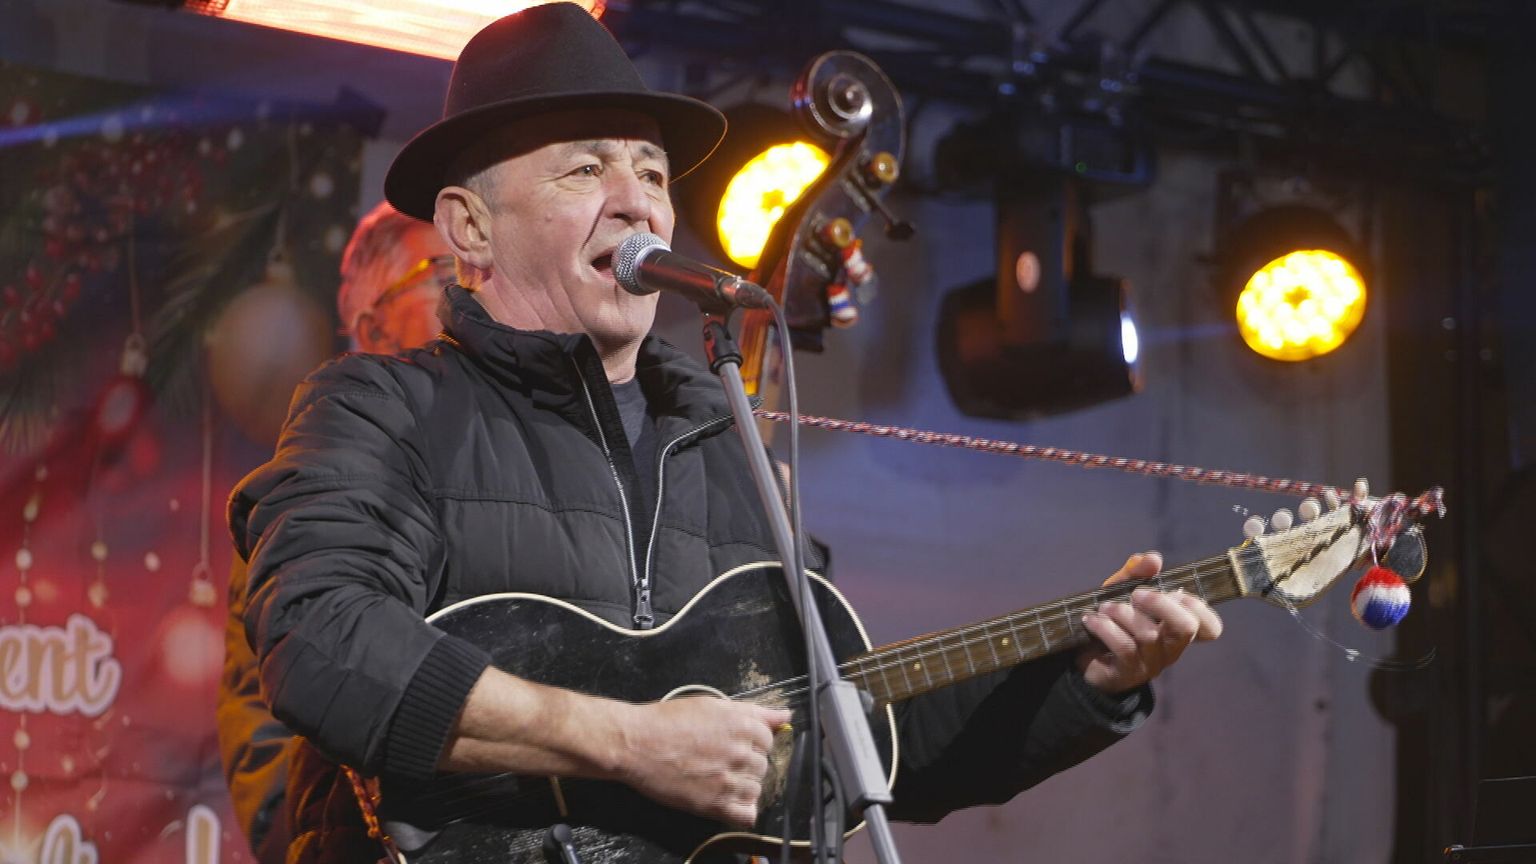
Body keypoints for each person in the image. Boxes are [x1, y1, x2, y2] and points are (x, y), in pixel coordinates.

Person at [225, 5, 1223, 862]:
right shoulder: (377, 410)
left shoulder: (729, 446)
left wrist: (1087, 681)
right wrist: (631, 744)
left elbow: (848, 749)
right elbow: (326, 644)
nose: (636, 199)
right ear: (470, 228)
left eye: (653, 173)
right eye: (585, 169)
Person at [216, 201, 454, 862]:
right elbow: (258, 726)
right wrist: (317, 832)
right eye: (442, 271)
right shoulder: (306, 483)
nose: (468, 288)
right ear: (373, 326)